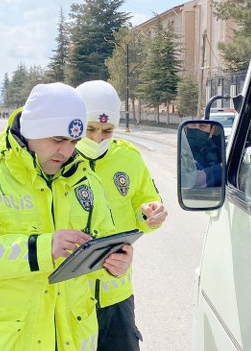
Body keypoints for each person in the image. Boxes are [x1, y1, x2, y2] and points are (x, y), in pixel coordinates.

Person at [0, 82, 131, 351]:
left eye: (74, 141)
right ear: (31, 131)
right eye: (58, 139)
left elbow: (102, 245)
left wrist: (113, 265)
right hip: (4, 341)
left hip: (71, 337)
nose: (67, 151)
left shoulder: (84, 180)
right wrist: (39, 249)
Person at [75, 80, 168, 351]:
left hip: (116, 294)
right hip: (71, 298)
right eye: (90, 129)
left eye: (107, 130)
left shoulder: (129, 158)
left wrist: (150, 214)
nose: (97, 139)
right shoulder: (62, 158)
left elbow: (145, 200)